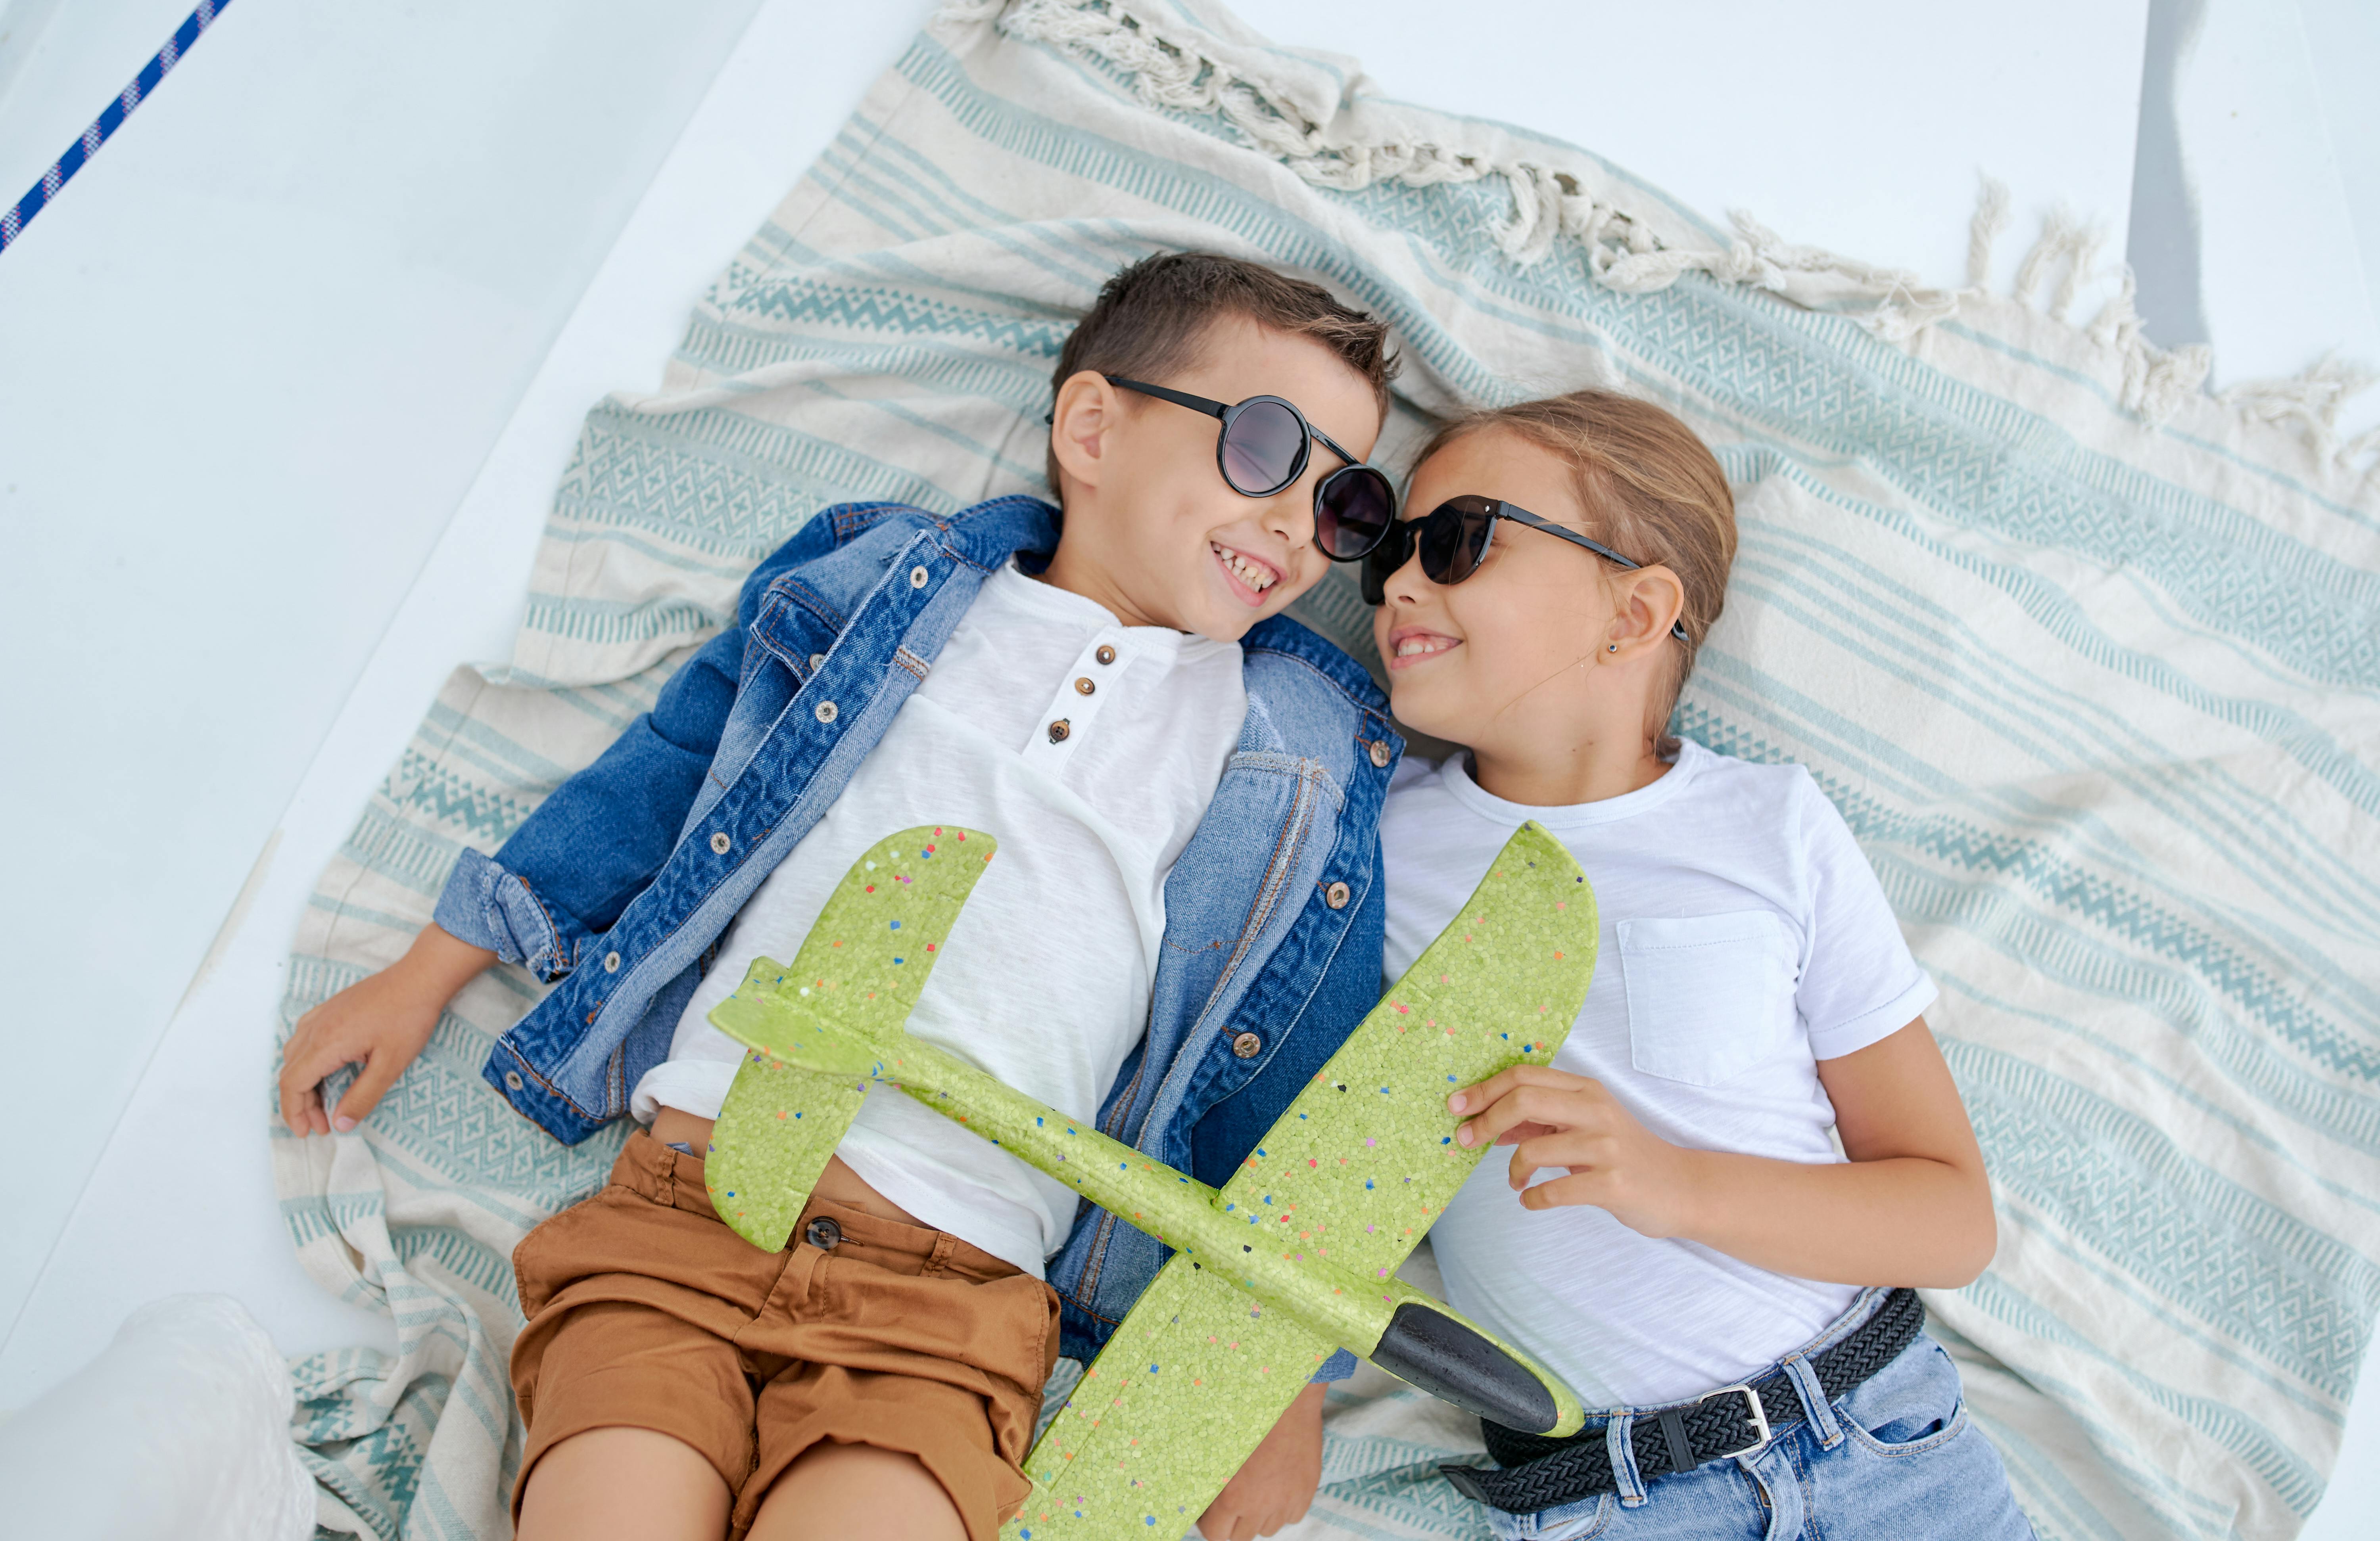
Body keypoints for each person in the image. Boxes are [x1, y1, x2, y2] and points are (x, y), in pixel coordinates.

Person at [276, 252, 1411, 1541]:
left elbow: (1293, 1076)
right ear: (1093, 428)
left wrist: (1286, 1384)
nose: (1294, 521)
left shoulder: (1297, 746)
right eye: (1266, 450)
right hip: (684, 1207)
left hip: (954, 1295)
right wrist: (431, 969)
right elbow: (663, 779)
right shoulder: (881, 585)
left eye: (1345, 503)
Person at [1365, 390, 2033, 1539]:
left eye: (1458, 541)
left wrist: (1674, 1184)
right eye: (1388, 549)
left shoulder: (1771, 830)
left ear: (1634, 615)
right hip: (1599, 1501)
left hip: (1872, 1438)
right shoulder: (1372, 844)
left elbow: (1951, 1217)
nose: (1397, 584)